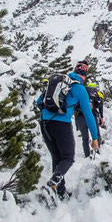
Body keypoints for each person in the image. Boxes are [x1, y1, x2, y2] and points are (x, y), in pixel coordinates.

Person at [37, 59, 98, 199]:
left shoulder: (58, 83)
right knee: (68, 158)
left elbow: (38, 101)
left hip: (44, 123)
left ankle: (60, 192)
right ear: (84, 75)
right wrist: (94, 138)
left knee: (57, 158)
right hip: (61, 125)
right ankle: (51, 185)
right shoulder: (80, 89)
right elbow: (89, 116)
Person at [75, 82, 104, 158]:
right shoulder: (96, 94)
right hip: (92, 116)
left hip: (81, 117)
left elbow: (76, 110)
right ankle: (97, 152)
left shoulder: (82, 94)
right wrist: (102, 117)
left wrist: (76, 125)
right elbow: (100, 106)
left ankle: (87, 155)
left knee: (85, 138)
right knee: (96, 135)